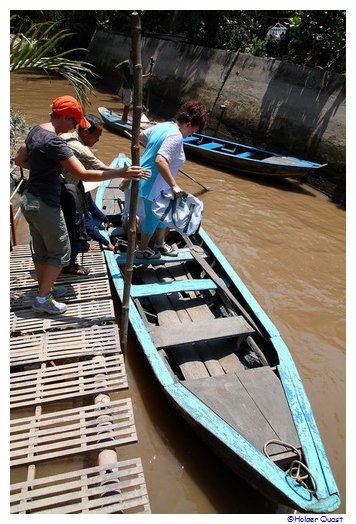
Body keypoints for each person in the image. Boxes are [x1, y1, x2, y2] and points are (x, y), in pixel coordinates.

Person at [15, 95, 150, 315]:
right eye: (74, 121)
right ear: (65, 117)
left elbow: (19, 160)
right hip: (46, 203)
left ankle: (45, 289)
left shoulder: (36, 131)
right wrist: (123, 172)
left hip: (30, 199)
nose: (75, 126)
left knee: (42, 251)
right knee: (60, 252)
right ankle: (41, 300)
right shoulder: (55, 142)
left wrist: (46, 171)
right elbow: (83, 173)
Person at [136, 100, 208, 259]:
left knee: (164, 217)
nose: (191, 135)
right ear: (189, 124)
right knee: (153, 218)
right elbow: (160, 160)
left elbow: (141, 136)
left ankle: (159, 244)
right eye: (193, 131)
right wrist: (174, 186)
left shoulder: (163, 126)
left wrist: (153, 148)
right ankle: (142, 250)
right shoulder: (176, 136)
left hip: (155, 182)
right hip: (153, 183)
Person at [61, 113, 118, 273]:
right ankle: (69, 265)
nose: (98, 140)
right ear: (85, 132)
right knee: (78, 235)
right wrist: (107, 243)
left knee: (82, 228)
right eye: (97, 136)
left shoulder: (66, 136)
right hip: (65, 196)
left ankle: (79, 246)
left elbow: (92, 206)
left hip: (66, 191)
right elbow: (87, 224)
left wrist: (106, 219)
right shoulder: (80, 149)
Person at [115, 56, 151, 123]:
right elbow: (117, 68)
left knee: (129, 103)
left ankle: (125, 117)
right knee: (128, 104)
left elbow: (138, 76)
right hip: (127, 86)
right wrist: (122, 76)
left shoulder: (135, 66)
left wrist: (147, 75)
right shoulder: (127, 62)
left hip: (132, 87)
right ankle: (124, 118)